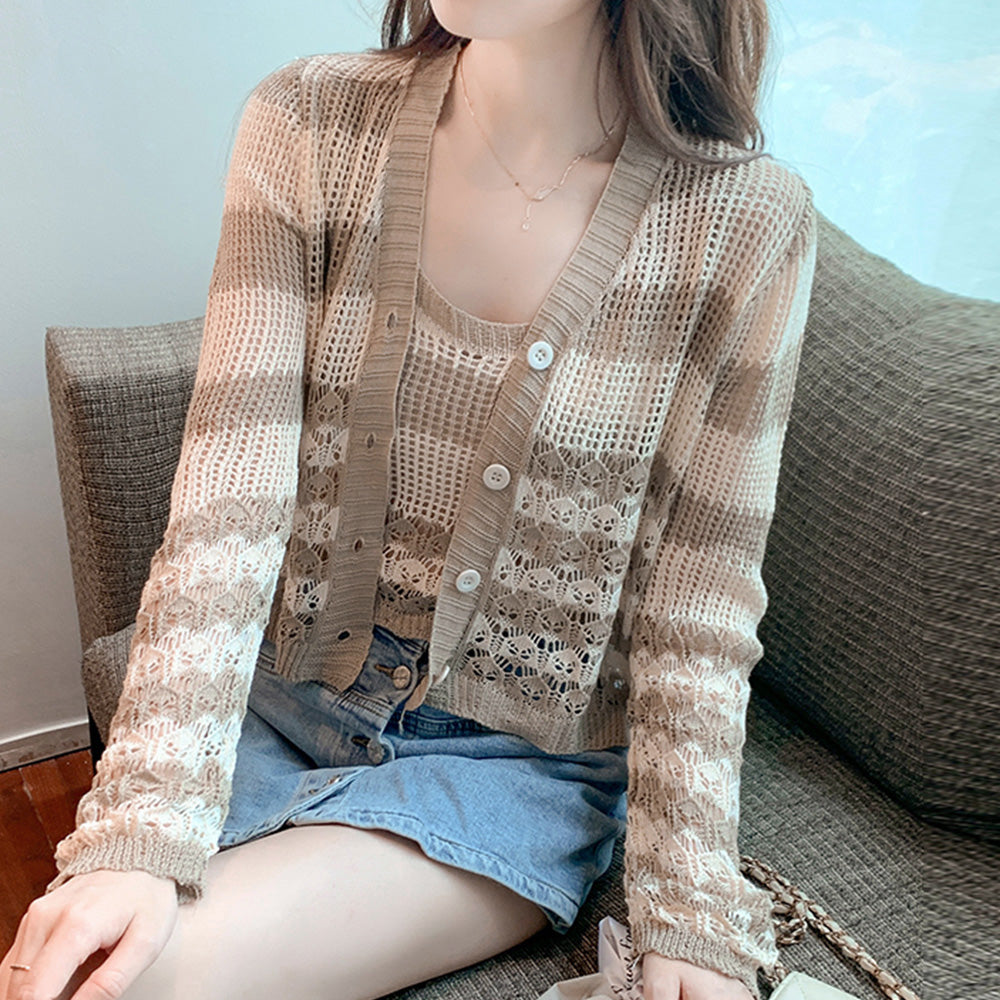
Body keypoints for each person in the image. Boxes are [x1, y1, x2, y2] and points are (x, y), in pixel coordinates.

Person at [2, 1, 818, 998]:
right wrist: (145, 814)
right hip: (277, 692)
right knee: (78, 971)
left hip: (511, 762)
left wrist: (687, 908)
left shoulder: (746, 220)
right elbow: (228, 500)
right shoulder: (308, 122)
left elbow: (699, 606)